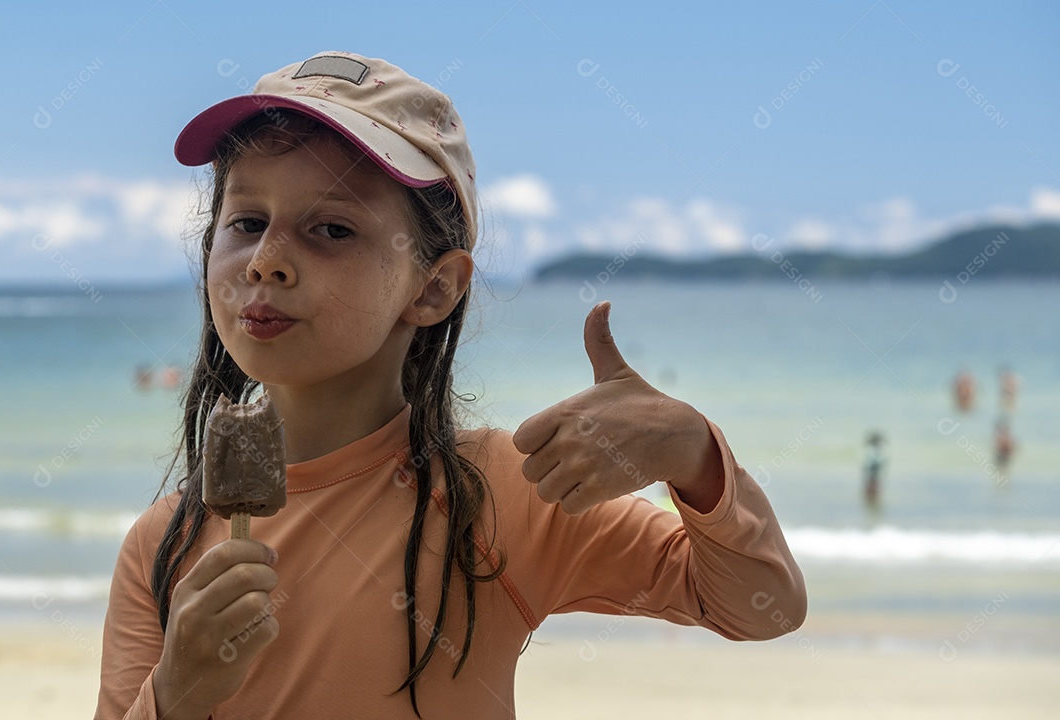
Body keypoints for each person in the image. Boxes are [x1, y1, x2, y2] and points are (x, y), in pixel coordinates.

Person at [94, 51, 805, 719]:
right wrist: (174, 694)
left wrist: (692, 451)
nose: (268, 261)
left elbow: (760, 603)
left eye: (331, 229)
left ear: (434, 288)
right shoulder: (163, 544)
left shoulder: (499, 494)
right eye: (247, 221)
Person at [863, 431, 885, 508]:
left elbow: (867, 461)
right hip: (874, 467)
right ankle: (873, 496)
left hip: (872, 467)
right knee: (874, 482)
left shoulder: (870, 449)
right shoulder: (874, 449)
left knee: (871, 482)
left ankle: (871, 495)